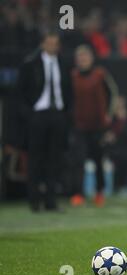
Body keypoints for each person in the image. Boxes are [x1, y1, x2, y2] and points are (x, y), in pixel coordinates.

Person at [17, 30, 72, 212]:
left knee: (54, 160)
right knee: (35, 160)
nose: (53, 47)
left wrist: (66, 114)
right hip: (38, 115)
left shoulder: (64, 63)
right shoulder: (30, 64)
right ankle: (34, 201)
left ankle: (51, 202)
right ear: (42, 44)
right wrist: (29, 115)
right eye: (49, 43)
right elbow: (20, 93)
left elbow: (68, 91)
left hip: (57, 115)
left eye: (55, 43)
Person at [69, 45, 118, 207]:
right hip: (79, 126)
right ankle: (78, 193)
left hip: (98, 126)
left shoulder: (100, 74)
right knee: (78, 159)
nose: (82, 60)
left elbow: (113, 94)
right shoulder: (72, 76)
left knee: (98, 159)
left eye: (85, 57)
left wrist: (108, 117)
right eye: (80, 57)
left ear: (91, 58)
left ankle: (99, 192)